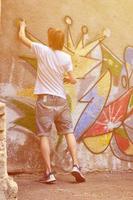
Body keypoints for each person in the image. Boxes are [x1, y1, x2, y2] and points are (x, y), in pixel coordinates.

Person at [19, 21, 85, 184]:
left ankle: (49, 173)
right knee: (68, 131)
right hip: (61, 99)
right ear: (62, 42)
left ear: (50, 40)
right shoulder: (66, 57)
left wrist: (22, 25)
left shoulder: (42, 50)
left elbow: (22, 37)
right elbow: (72, 79)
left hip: (45, 100)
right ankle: (76, 165)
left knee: (44, 135)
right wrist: (68, 80)